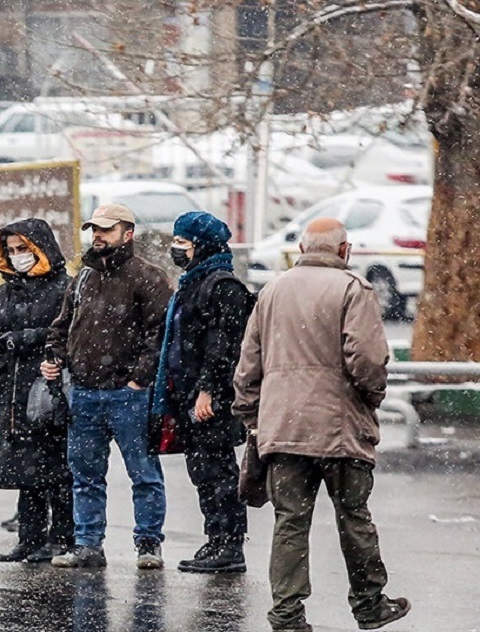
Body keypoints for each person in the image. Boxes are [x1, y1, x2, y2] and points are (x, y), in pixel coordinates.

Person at [234, 218, 411, 632]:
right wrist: (371, 399)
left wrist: (253, 416)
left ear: (301, 249)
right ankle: (369, 605)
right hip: (339, 430)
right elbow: (367, 360)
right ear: (344, 251)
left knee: (290, 522)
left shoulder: (272, 291)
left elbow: (248, 367)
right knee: (354, 516)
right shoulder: (353, 290)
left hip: (284, 430)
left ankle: (287, 615)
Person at [41, 203, 171, 570]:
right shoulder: (82, 276)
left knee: (143, 473)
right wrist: (54, 357)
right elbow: (61, 325)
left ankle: (148, 544)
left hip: (127, 394)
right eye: (94, 229)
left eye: (106, 230)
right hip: (83, 393)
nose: (97, 236)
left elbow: (158, 335)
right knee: (85, 475)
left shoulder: (148, 276)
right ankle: (88, 545)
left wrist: (137, 380)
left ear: (127, 234)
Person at [155, 212, 253, 574]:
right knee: (202, 471)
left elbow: (223, 346)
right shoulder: (191, 283)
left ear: (203, 245)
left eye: (183, 242)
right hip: (187, 394)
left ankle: (229, 544)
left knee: (218, 472)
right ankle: (214, 540)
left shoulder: (222, 286)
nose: (176, 248)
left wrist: (207, 390)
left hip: (211, 399)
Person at [0, 219, 72, 563]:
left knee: (56, 468)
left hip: (47, 389)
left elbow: (65, 332)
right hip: (12, 391)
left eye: (23, 250)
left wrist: (29, 338)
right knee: (24, 470)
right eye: (12, 251)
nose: (17, 257)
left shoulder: (64, 288)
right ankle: (29, 538)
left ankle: (61, 537)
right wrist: (6, 340)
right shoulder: (6, 292)